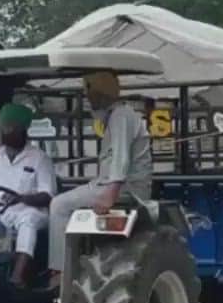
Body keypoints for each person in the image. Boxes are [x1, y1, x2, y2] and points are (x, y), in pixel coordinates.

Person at [47, 71, 153, 280]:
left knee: (58, 206)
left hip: (124, 188)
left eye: (90, 92)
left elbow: (120, 156)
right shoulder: (116, 115)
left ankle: (59, 271)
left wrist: (110, 193)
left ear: (101, 93)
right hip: (107, 184)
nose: (88, 98)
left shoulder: (121, 115)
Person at [0, 103, 56, 287]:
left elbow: (48, 195)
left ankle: (18, 276)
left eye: (11, 127)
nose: (5, 132)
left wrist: (21, 198)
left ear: (23, 129)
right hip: (0, 212)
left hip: (31, 211)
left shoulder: (39, 158)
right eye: (4, 127)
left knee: (27, 222)